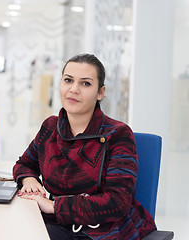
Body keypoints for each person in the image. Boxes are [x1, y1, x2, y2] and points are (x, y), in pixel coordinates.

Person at [13, 54, 156, 239]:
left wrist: (53, 206)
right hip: (58, 224)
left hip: (101, 230)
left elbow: (117, 202)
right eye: (68, 80)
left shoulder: (118, 134)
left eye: (85, 83)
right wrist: (29, 180)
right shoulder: (50, 127)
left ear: (100, 92)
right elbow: (24, 164)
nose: (73, 89)